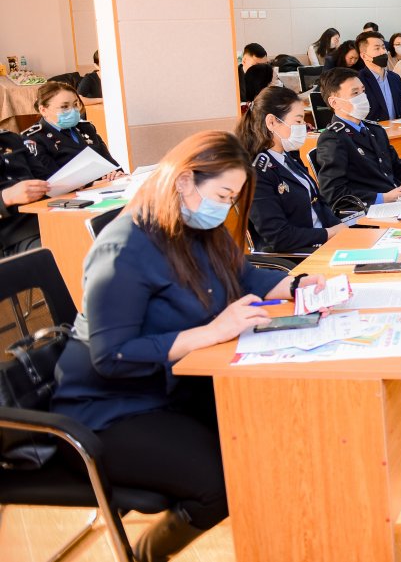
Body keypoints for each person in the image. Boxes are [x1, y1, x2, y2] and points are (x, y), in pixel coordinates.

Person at [51, 131, 328, 562]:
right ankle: (144, 556)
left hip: (178, 381)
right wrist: (213, 332)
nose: (225, 208)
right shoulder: (122, 249)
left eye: (232, 198)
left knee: (273, 432)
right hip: (109, 407)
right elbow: (112, 356)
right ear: (184, 181)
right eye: (222, 195)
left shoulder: (196, 225)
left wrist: (297, 285)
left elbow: (243, 275)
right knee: (219, 482)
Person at [236, 87, 343, 254]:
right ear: (272, 122)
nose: (304, 127)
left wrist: (340, 227)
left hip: (326, 241)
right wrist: (329, 233)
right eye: (298, 121)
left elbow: (318, 201)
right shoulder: (257, 172)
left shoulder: (289, 156)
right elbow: (279, 237)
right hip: (300, 253)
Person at [312, 68, 401, 209]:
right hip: (373, 208)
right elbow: (334, 193)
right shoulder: (333, 138)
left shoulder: (375, 129)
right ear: (334, 103)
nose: (362, 97)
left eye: (363, 91)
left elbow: (398, 165)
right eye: (355, 93)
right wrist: (384, 198)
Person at [22, 81, 123, 182]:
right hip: (72, 191)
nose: (73, 110)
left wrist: (116, 173)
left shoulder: (86, 128)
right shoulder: (34, 138)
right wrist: (91, 184)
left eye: (75, 104)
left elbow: (111, 164)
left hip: (107, 186)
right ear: (43, 110)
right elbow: (51, 180)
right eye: (64, 107)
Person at [1, 129, 46, 256]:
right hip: (15, 234)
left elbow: (44, 176)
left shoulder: (11, 138)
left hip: (46, 215)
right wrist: (6, 197)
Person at [356, 30, 401, 122]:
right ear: (364, 56)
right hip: (374, 129)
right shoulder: (359, 80)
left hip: (398, 128)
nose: (383, 52)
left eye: (384, 47)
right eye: (377, 48)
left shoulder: (395, 78)